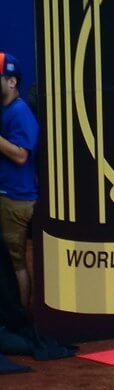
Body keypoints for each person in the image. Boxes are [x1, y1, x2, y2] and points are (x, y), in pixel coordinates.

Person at [0, 52, 39, 310]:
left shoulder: (20, 111)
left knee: (16, 263)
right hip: (9, 196)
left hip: (17, 199)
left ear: (12, 82)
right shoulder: (7, 110)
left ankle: (22, 319)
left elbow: (22, 155)